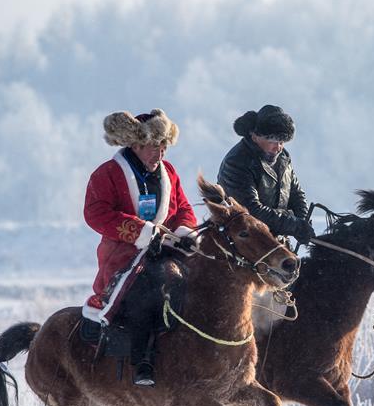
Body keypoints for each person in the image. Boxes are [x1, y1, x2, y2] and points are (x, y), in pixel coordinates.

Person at [82, 108, 197, 386]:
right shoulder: (107, 174)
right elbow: (95, 213)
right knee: (148, 291)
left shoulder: (169, 172)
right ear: (136, 144)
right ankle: (142, 361)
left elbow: (183, 208)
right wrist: (140, 232)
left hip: (166, 250)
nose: (161, 153)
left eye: (164, 146)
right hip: (124, 254)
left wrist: (184, 231)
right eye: (155, 146)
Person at [217, 105, 314, 243]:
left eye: (282, 142)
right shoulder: (237, 162)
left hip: (274, 241)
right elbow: (251, 210)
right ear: (255, 136)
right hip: (243, 243)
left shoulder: (283, 157)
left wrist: (302, 222)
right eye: (273, 141)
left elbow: (296, 194)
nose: (278, 147)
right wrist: (293, 226)